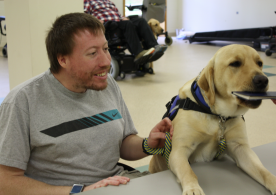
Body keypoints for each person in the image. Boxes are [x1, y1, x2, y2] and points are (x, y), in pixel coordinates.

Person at [0, 13, 173, 194]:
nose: (106, 62)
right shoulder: (21, 102)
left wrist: (148, 144)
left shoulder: (106, 84)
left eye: (105, 49)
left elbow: (123, 142)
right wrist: (81, 190)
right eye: (92, 53)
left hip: (118, 183)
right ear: (63, 59)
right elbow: (6, 182)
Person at [84, 0, 167, 64]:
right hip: (108, 25)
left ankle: (154, 46)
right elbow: (85, 16)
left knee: (141, 21)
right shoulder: (88, 1)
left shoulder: (109, 2)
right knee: (127, 24)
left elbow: (118, 15)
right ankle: (138, 53)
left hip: (119, 22)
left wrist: (123, 17)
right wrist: (96, 21)